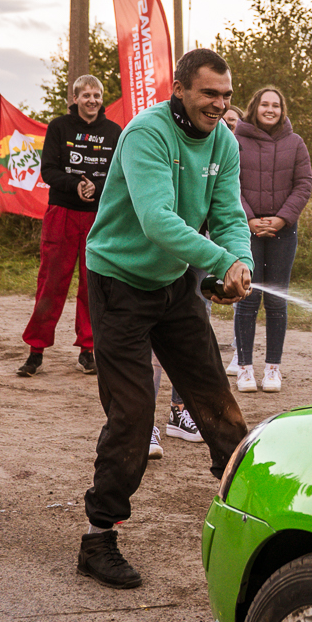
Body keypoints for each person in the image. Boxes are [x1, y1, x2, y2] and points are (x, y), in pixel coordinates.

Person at [76, 48, 252, 589]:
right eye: (208, 94)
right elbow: (156, 219)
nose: (219, 105)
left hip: (174, 284)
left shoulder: (224, 141)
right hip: (119, 282)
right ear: (180, 89)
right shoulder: (146, 134)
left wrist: (238, 261)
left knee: (219, 406)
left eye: (226, 96)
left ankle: (251, 520)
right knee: (132, 417)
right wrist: (218, 260)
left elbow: (229, 215)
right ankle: (98, 539)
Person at [19, 74, 120, 378]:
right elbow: (48, 170)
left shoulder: (114, 132)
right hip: (62, 212)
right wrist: (75, 185)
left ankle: (87, 351)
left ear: (102, 99)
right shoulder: (59, 127)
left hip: (98, 217)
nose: (92, 100)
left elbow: (118, 173)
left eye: (96, 95)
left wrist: (95, 188)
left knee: (93, 285)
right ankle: (36, 351)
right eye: (86, 95)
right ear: (75, 99)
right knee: (51, 283)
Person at [229, 86, 312, 395]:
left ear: (282, 110)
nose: (270, 109)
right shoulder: (235, 141)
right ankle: (244, 368)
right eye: (264, 104)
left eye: (275, 105)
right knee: (248, 299)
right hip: (246, 229)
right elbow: (229, 183)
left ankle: (273, 368)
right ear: (255, 107)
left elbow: (303, 184)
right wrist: (249, 219)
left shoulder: (295, 143)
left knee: (277, 301)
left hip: (283, 231)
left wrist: (281, 219)